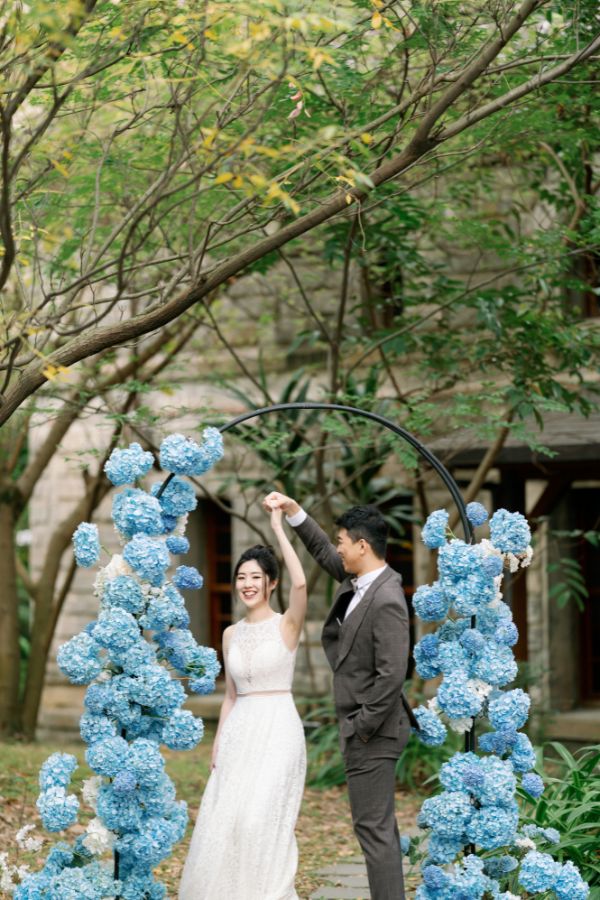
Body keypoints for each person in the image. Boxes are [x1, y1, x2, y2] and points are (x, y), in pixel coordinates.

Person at [265, 492, 414, 900]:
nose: (339, 549)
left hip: (374, 731)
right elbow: (321, 551)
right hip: (367, 728)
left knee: (373, 830)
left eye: (343, 542)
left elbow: (392, 675)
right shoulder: (359, 582)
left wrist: (360, 726)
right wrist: (294, 512)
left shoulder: (386, 598)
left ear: (362, 546)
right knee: (378, 829)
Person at [178, 501, 308, 900]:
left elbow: (301, 585)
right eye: (241, 577)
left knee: (259, 819)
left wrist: (279, 527)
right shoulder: (231, 634)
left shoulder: (287, 625)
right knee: (229, 820)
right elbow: (231, 696)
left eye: (256, 577)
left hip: (278, 729)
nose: (247, 584)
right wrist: (219, 741)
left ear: (271, 583)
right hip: (239, 732)